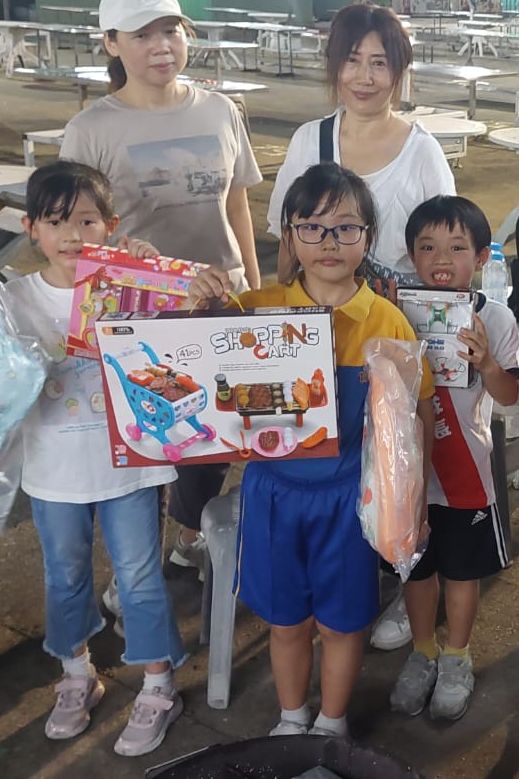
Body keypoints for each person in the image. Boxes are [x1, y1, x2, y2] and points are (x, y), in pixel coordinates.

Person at [0, 162, 186, 758]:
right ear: (31, 229)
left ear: (110, 225)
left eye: (86, 221)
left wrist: (154, 272)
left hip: (131, 468)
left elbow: (181, 343)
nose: (72, 235)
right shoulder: (9, 298)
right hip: (54, 473)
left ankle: (159, 684)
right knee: (65, 574)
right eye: (56, 222)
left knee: (139, 577)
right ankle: (77, 673)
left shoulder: (131, 286)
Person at [185, 163, 437, 738]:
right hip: (271, 496)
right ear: (289, 236)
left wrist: (411, 503)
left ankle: (330, 725)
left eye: (346, 228)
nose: (329, 242)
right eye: (312, 227)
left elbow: (413, 420)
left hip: (349, 501)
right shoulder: (253, 310)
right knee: (286, 623)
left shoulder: (386, 322)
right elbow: (189, 360)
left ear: (368, 238)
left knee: (342, 626)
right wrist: (199, 299)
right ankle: (292, 718)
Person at [59, 0, 264, 577]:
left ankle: (188, 536)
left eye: (171, 30)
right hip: (138, 312)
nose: (161, 46)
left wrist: (254, 286)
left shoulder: (220, 110)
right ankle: (138, 570)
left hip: (219, 298)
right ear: (111, 43)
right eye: (142, 35)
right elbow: (75, 230)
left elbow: (236, 204)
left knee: (212, 429)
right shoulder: (91, 129)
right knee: (145, 441)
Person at [386, 196, 519, 721]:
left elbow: (509, 395)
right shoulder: (396, 311)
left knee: (462, 573)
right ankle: (422, 652)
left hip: (467, 471)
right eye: (427, 247)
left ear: (482, 256)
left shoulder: (497, 318)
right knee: (417, 571)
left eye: (458, 248)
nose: (442, 259)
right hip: (409, 472)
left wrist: (486, 363)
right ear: (411, 255)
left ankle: (457, 657)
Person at [268, 4, 455, 290]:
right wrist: (286, 305)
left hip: (400, 315)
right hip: (322, 314)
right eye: (352, 60)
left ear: (399, 71)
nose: (364, 78)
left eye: (379, 63)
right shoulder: (308, 141)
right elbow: (289, 243)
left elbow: (447, 253)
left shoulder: (422, 153)